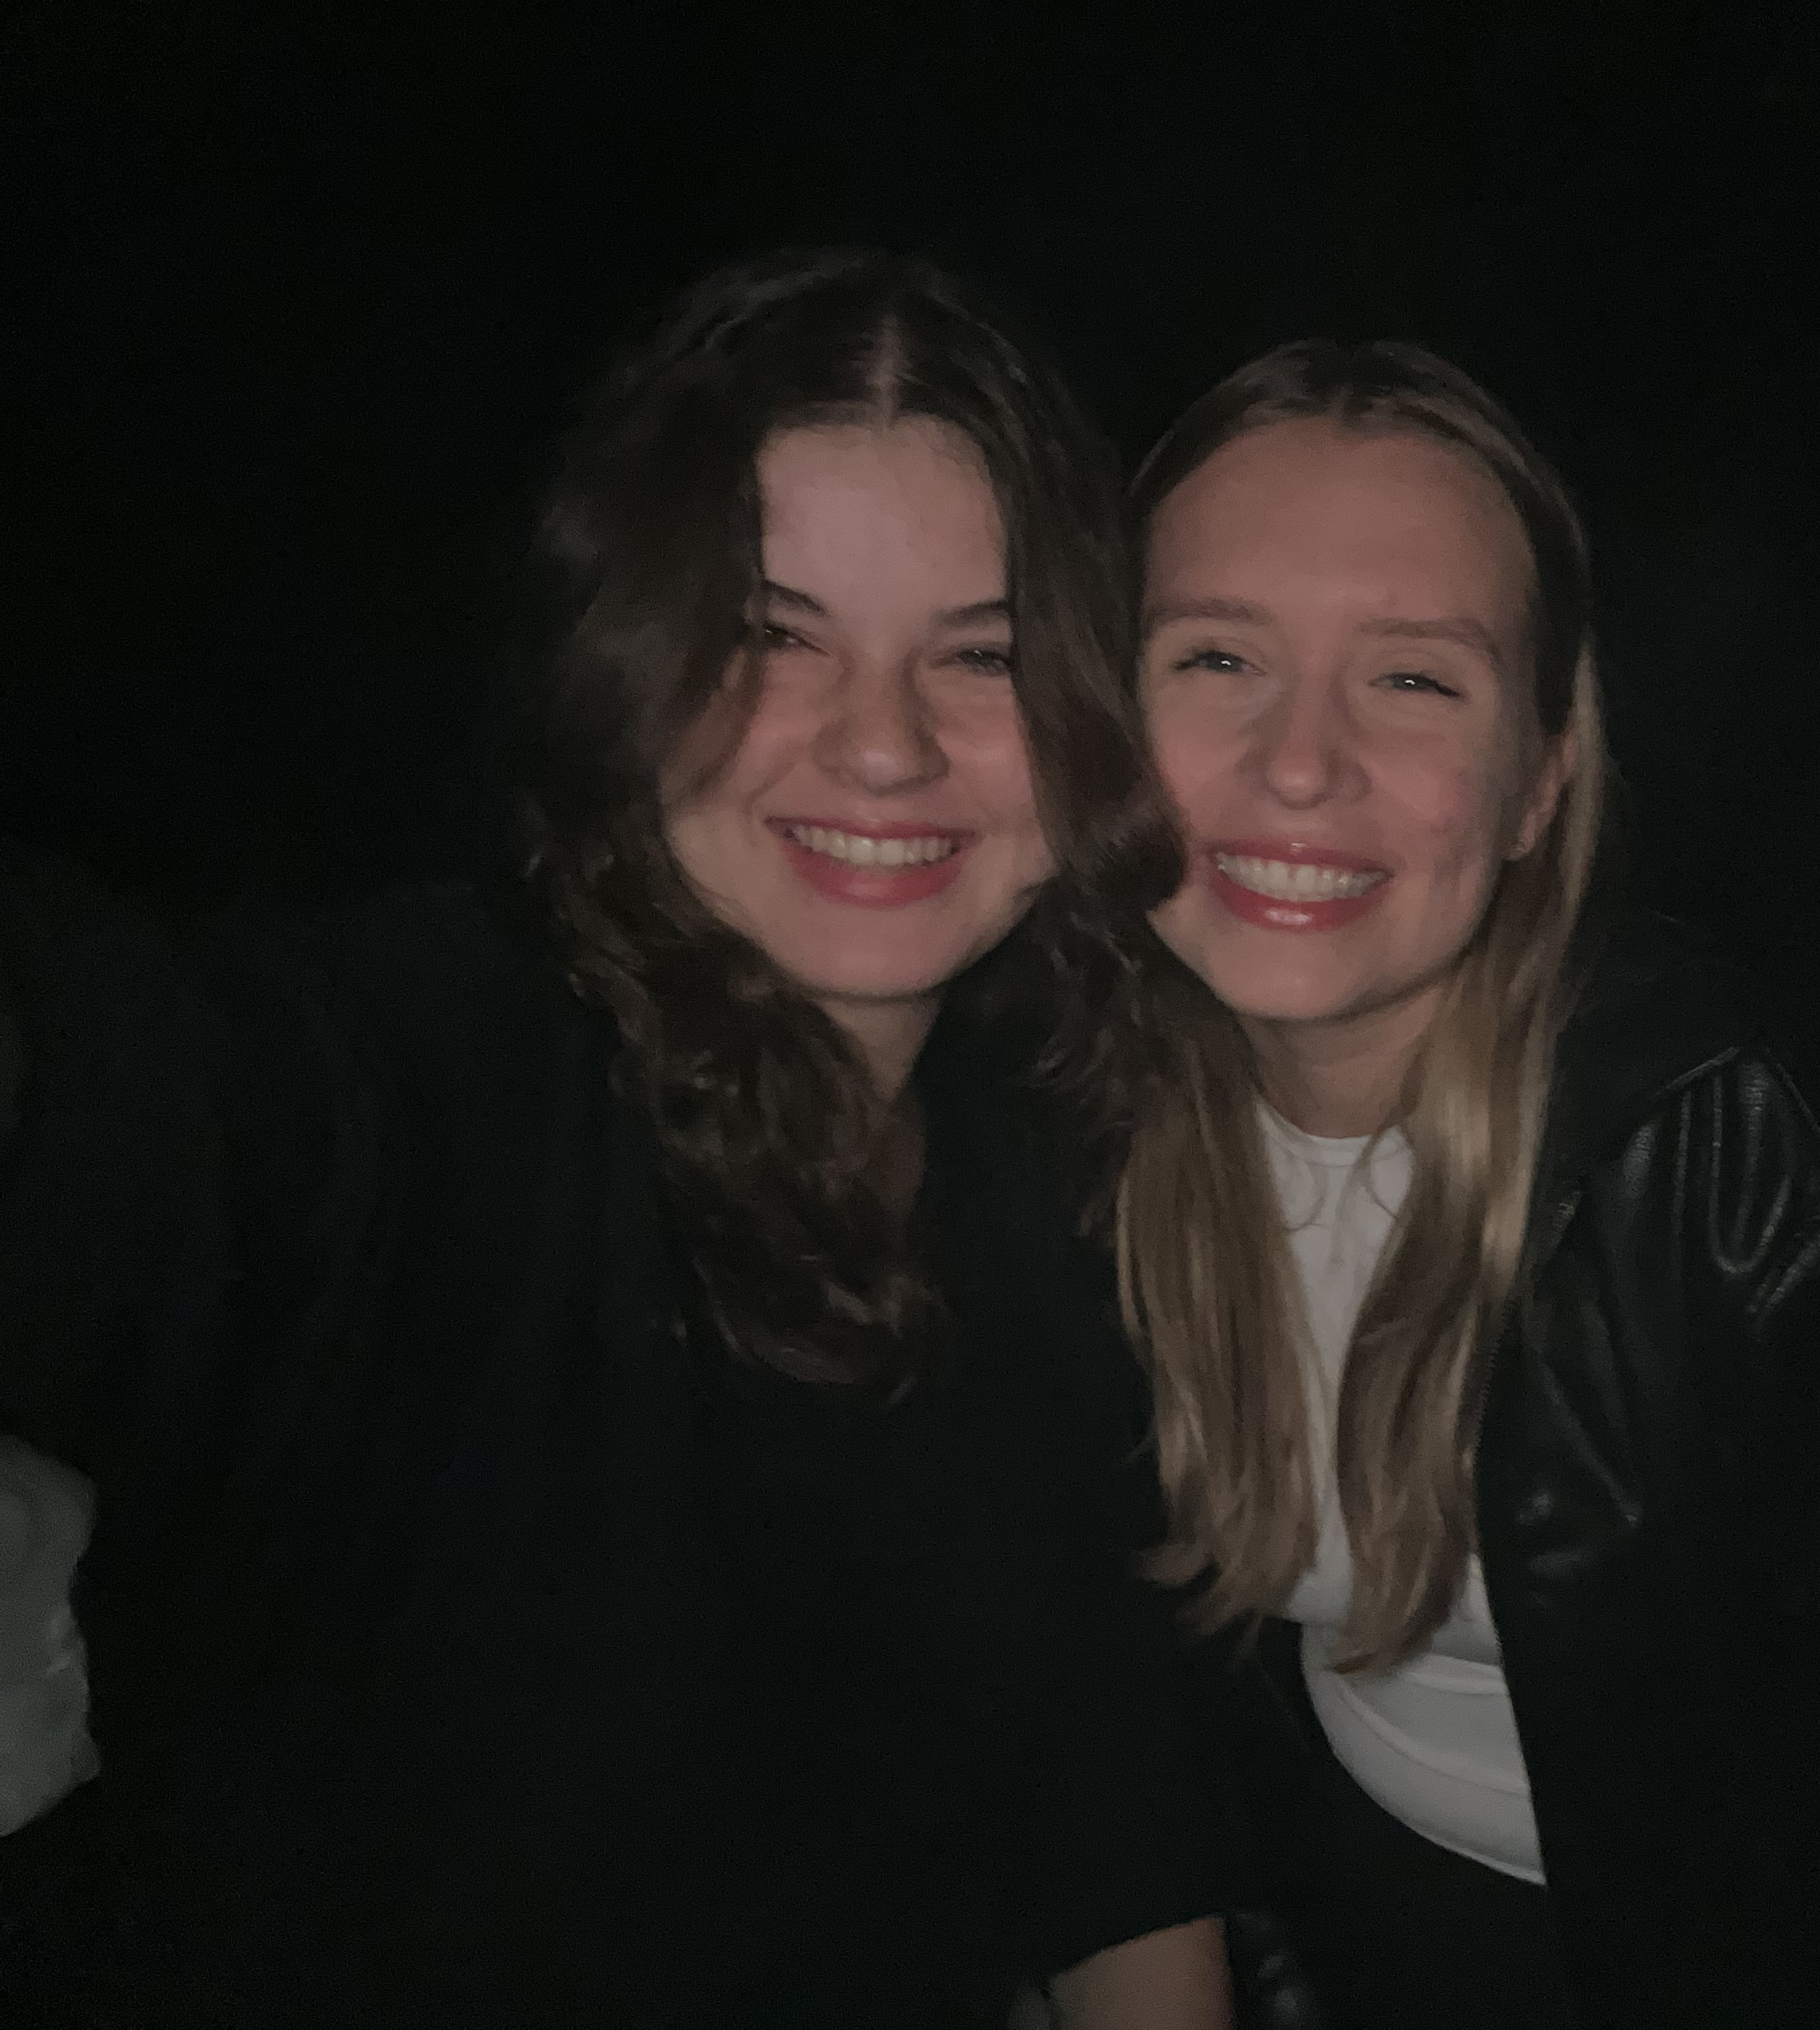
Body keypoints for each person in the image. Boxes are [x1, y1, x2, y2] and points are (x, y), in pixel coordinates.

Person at [0, 249, 1231, 2027]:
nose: (883, 747)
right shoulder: (459, 1078)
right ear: (626, 663)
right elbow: (153, 1091)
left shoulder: (1040, 1169)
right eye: (771, 636)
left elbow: (1110, 1815)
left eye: (983, 655)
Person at [1104, 340, 1820, 2028]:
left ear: (1539, 781)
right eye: (1217, 654)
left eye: (1415, 678)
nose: (1299, 763)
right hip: (1339, 1914)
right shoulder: (1086, 1119)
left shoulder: (1748, 1170)